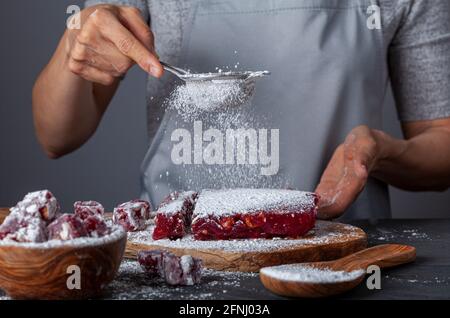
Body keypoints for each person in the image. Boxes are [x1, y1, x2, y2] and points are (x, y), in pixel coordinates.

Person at [32, 0, 450, 221]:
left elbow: (441, 140)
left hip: (337, 257)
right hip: (179, 259)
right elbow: (56, 135)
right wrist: (75, 40)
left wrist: (380, 151)